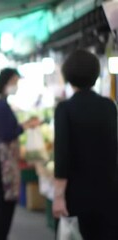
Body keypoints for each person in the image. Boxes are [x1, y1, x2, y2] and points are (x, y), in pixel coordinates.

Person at [52, 49, 118, 240]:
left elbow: (62, 155)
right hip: (109, 192)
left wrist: (58, 197)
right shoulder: (109, 106)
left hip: (77, 195)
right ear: (96, 75)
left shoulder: (65, 109)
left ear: (68, 76)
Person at [0, 68, 39, 240]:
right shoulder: (1, 105)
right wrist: (24, 126)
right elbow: (7, 133)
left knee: (4, 201)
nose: (16, 85)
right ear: (6, 82)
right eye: (14, 81)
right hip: (2, 160)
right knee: (5, 201)